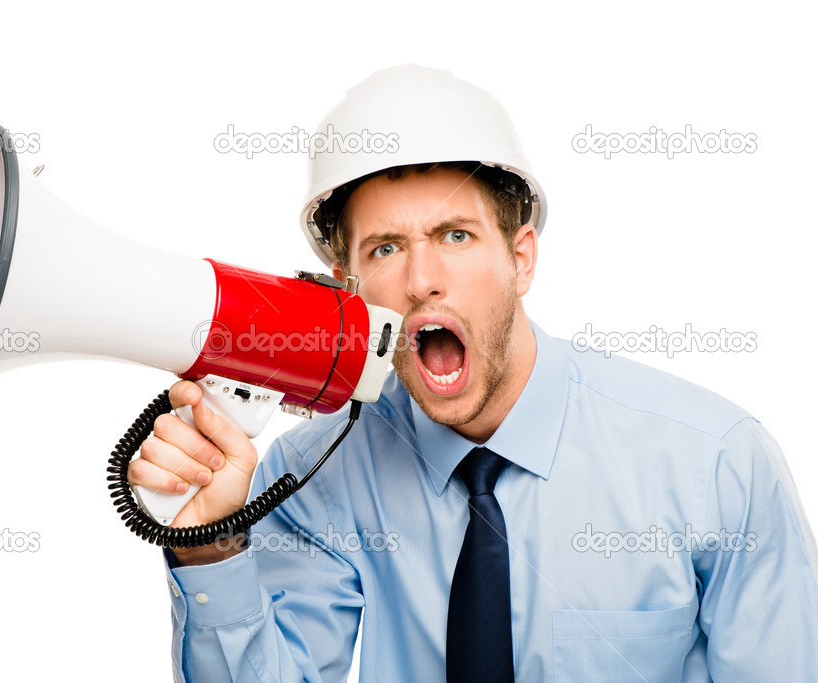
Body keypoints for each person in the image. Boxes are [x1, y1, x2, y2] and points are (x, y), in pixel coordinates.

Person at [128, 65, 818, 681]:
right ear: (349, 290)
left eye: (454, 235)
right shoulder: (317, 473)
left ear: (521, 258)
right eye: (385, 247)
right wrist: (209, 546)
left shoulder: (714, 461)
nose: (421, 280)